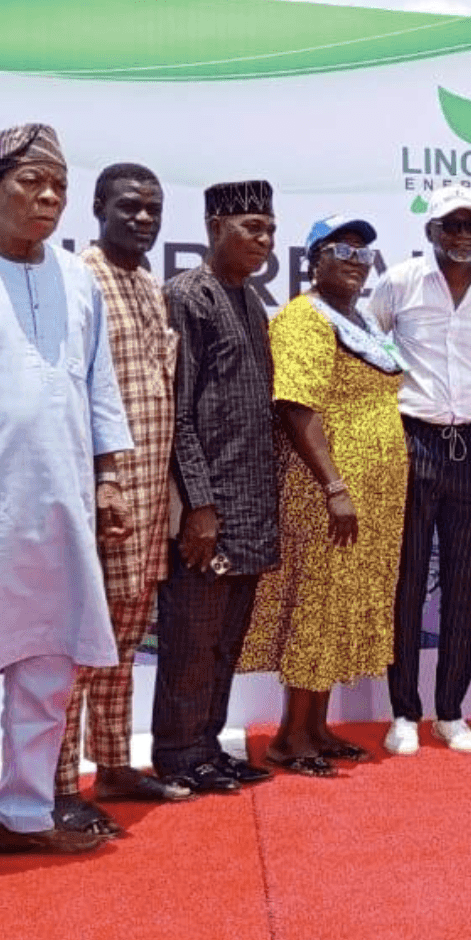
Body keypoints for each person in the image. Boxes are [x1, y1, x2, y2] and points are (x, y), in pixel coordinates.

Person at [0, 123, 133, 892]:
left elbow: (96, 384)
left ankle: (24, 815)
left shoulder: (78, 279)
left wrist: (107, 478)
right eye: (30, 182)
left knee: (48, 671)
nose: (46, 197)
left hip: (63, 503)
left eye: (58, 187)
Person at [242, 215, 407, 776]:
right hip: (328, 489)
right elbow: (296, 407)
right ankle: (290, 737)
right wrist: (335, 486)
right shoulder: (303, 318)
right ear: (315, 257)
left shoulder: (358, 319)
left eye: (365, 251)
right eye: (342, 249)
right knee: (315, 603)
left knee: (339, 607)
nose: (357, 260)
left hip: (373, 489)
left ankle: (317, 727)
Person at [55, 162, 191, 835]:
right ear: (98, 207)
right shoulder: (78, 279)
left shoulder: (149, 285)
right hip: (99, 493)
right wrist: (99, 485)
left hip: (148, 494)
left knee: (126, 638)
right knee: (81, 643)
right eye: (130, 206)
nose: (143, 218)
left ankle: (111, 765)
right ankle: (55, 787)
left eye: (153, 208)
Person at [368, 187, 471, 756]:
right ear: (430, 232)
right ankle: (404, 711)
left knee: (463, 585)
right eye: (450, 226)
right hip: (413, 440)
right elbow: (368, 347)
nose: (461, 237)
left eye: (470, 226)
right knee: (405, 585)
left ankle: (450, 712)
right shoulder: (400, 282)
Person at [150, 181, 281, 794]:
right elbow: (176, 412)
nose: (264, 239)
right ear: (213, 225)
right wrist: (198, 505)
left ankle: (209, 745)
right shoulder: (187, 297)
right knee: (190, 642)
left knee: (225, 642)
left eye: (270, 229)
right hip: (209, 511)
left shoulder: (252, 299)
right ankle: (178, 754)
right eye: (252, 226)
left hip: (251, 507)